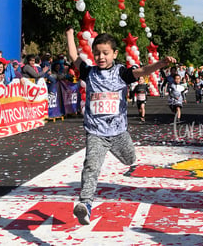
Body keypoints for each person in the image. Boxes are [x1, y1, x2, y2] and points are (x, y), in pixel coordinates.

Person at [65, 27, 176, 225]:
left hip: (118, 132)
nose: (100, 57)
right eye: (97, 53)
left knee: (129, 159)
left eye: (105, 53)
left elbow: (142, 71)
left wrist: (160, 64)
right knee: (91, 166)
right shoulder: (89, 72)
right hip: (96, 132)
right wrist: (69, 34)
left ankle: (112, 151)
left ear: (114, 54)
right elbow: (74, 55)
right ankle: (85, 204)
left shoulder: (121, 72)